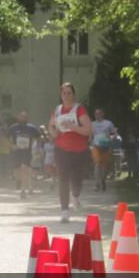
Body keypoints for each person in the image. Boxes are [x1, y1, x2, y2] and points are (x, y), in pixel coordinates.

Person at [48, 82, 92, 222]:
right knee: (63, 179)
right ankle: (65, 211)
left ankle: (76, 195)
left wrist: (73, 127)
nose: (66, 96)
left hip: (79, 150)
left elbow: (88, 130)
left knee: (77, 180)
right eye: (64, 93)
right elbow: (51, 126)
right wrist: (54, 132)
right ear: (61, 95)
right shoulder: (57, 110)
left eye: (69, 93)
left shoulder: (79, 109)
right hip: (61, 150)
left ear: (73, 95)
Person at [9, 111, 39, 199]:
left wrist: (34, 145)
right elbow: (5, 137)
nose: (23, 119)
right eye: (21, 117)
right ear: (18, 118)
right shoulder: (13, 127)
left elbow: (39, 137)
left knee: (25, 169)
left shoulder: (32, 128)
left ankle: (23, 190)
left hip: (27, 151)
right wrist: (11, 145)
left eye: (25, 117)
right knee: (16, 172)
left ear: (27, 119)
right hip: (16, 152)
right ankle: (20, 180)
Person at [90, 108, 118, 192]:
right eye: (96, 114)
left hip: (106, 146)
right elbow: (89, 135)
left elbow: (114, 133)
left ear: (102, 114)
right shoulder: (92, 124)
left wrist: (113, 138)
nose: (97, 115)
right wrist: (90, 141)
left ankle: (103, 180)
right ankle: (97, 184)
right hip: (96, 146)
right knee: (97, 164)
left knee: (105, 167)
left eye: (99, 113)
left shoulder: (108, 123)